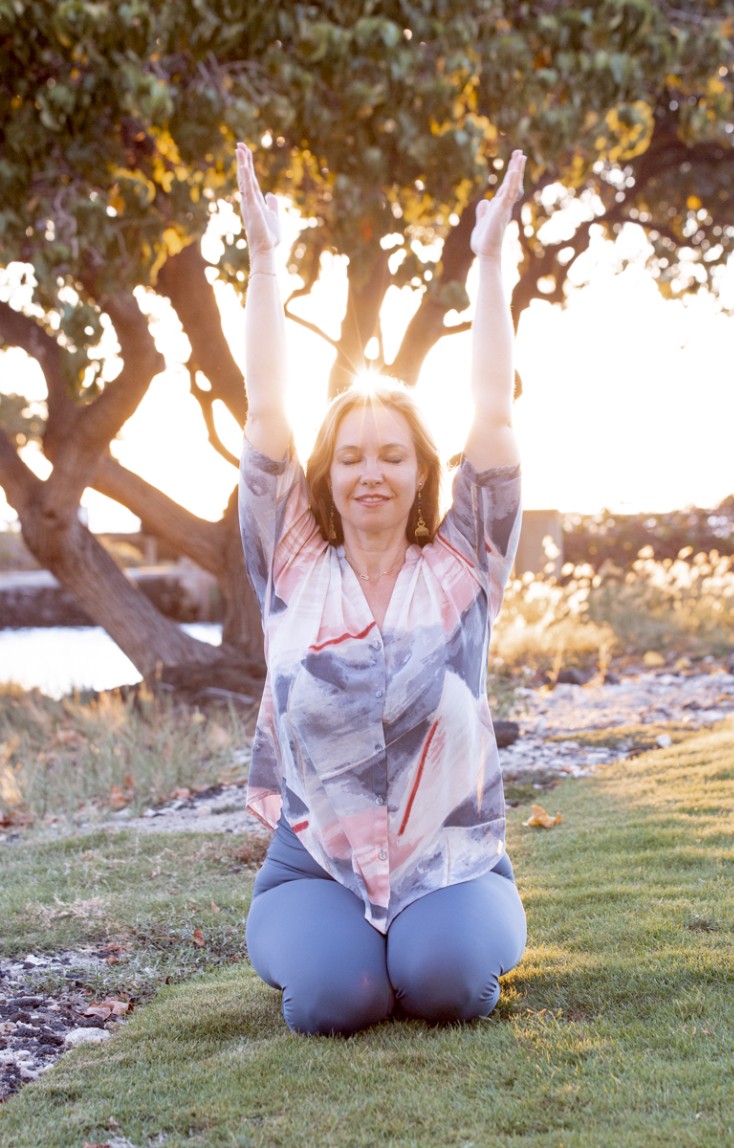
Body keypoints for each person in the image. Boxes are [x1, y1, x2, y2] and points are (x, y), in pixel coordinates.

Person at [236, 140, 527, 1036]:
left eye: (392, 455)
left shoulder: (463, 565)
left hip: (450, 860)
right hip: (312, 865)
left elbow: (493, 410)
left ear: (420, 472)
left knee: (443, 985)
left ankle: (421, 945)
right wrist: (265, 261)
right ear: (324, 476)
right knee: (336, 1001)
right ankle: (351, 954)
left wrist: (487, 263)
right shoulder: (290, 562)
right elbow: (266, 407)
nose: (371, 472)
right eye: (352, 456)